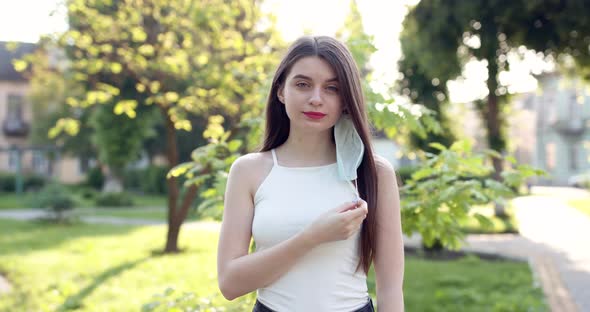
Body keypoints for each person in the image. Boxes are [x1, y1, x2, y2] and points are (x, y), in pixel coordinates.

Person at [217, 36, 404, 312]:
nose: (316, 99)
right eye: (303, 84)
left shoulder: (373, 173)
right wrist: (312, 237)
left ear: (345, 99)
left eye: (332, 88)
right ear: (281, 91)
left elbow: (390, 289)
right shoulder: (248, 171)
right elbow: (230, 283)